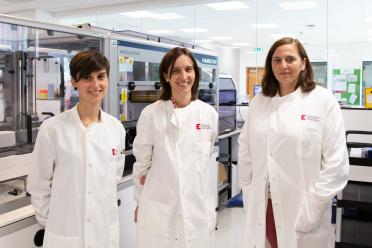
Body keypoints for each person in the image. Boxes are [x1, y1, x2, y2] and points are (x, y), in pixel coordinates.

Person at [238, 37, 349, 248]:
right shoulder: (260, 102)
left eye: (290, 59)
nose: (283, 65)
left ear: (304, 63)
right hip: (263, 203)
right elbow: (245, 149)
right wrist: (247, 188)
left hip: (303, 206)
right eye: (276, 60)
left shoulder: (322, 100)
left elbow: (337, 163)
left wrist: (313, 205)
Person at [28, 50, 126, 248]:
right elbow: (38, 184)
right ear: (74, 82)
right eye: (87, 78)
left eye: (101, 77)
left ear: (108, 78)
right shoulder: (53, 128)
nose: (96, 85)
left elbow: (113, 178)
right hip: (65, 235)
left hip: (104, 234)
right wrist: (55, 223)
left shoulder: (116, 128)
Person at [132, 47, 218, 248]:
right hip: (161, 209)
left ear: (195, 73)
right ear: (166, 76)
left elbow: (203, 161)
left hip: (198, 209)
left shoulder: (208, 114)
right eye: (176, 71)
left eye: (189, 69)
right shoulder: (151, 114)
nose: (184, 76)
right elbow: (142, 166)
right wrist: (140, 202)